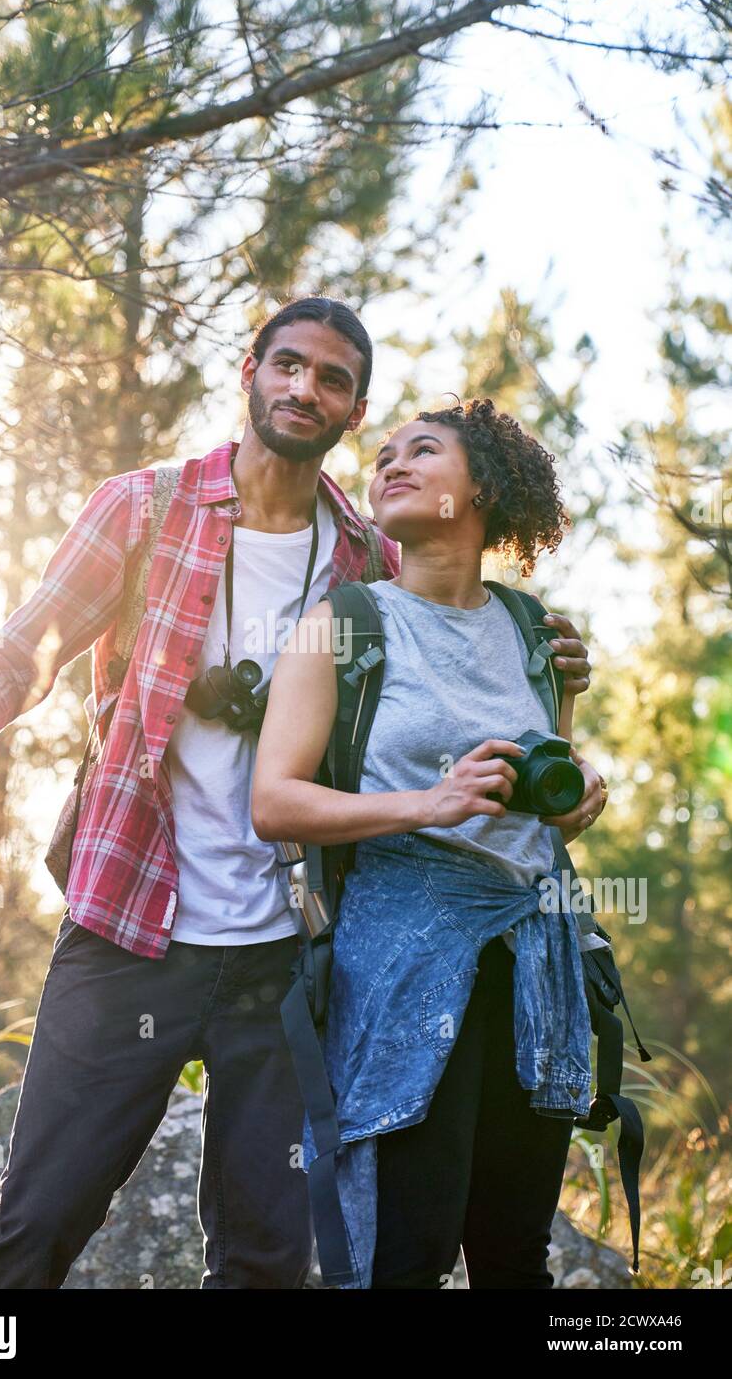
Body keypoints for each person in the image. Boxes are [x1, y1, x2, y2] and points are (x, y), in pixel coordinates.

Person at [0, 301, 592, 1290]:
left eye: (331, 379)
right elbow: (27, 647)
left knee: (263, 1259)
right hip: (133, 928)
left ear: (353, 407)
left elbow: (457, 662)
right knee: (32, 1231)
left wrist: (548, 661)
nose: (305, 388)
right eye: (287, 365)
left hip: (289, 957)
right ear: (251, 371)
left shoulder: (366, 557)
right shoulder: (144, 506)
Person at [252, 396, 606, 1289]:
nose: (389, 465)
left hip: (534, 962)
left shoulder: (534, 632)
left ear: (482, 488)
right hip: (402, 961)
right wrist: (428, 804)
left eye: (421, 450)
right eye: (382, 456)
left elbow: (543, 799)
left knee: (513, 1254)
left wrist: (580, 794)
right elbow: (275, 801)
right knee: (402, 1249)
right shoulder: (344, 621)